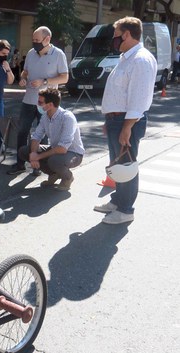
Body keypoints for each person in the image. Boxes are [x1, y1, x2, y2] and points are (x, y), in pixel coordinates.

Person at [94, 16, 157, 224]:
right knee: (118, 164)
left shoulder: (141, 59)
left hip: (126, 122)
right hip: (117, 120)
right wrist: (109, 119)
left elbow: (139, 98)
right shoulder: (126, 58)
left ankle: (126, 210)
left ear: (127, 35)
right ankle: (118, 200)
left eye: (116, 35)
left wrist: (127, 127)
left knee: (127, 165)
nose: (114, 39)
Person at [7, 26, 69, 176]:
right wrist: (23, 78)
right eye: (33, 40)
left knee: (44, 134)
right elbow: (25, 71)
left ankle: (40, 165)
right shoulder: (31, 53)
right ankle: (20, 164)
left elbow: (65, 77)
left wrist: (45, 81)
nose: (34, 43)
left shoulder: (58, 54)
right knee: (22, 132)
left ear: (47, 39)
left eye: (37, 40)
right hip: (29, 100)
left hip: (47, 103)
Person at [17, 88, 84, 191]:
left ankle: (67, 178)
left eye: (40, 102)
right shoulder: (45, 116)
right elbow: (36, 136)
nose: (37, 104)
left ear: (50, 105)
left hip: (73, 153)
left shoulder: (67, 117)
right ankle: (54, 174)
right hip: (56, 149)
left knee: (54, 161)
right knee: (24, 151)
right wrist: (33, 153)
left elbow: (62, 149)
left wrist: (37, 157)